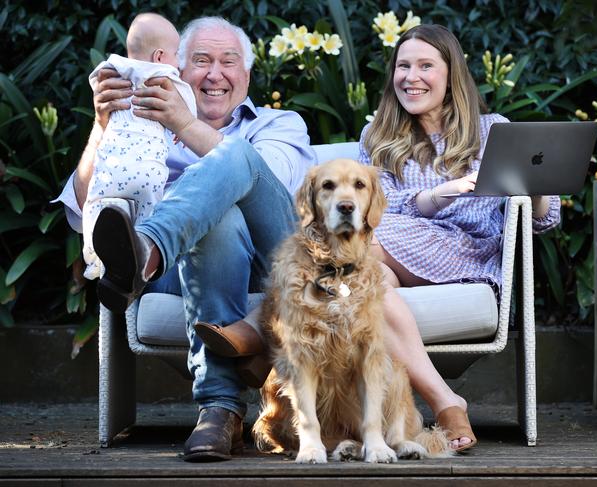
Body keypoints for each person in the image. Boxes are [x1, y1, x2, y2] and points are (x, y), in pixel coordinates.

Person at [55, 15, 316, 461]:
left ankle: (148, 250)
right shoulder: (138, 124)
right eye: (201, 60)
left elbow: (270, 183)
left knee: (241, 162)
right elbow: (83, 214)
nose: (215, 74)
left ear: (247, 76)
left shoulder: (280, 123)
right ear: (174, 66)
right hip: (181, 270)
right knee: (219, 223)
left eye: (228, 61)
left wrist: (184, 122)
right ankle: (219, 411)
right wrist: (102, 126)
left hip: (269, 264)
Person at [359, 24, 561, 452]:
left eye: (425, 66)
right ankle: (444, 400)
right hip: (394, 245)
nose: (410, 76)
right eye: (403, 66)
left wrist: (535, 184)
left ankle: (258, 332)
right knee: (365, 280)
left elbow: (543, 220)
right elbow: (376, 207)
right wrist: (436, 195)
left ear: (452, 75)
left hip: (466, 251)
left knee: (347, 245)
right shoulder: (377, 137)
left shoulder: (492, 130)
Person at [82, 13, 196, 280]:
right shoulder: (165, 76)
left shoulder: (112, 69)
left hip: (111, 170)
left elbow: (95, 78)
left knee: (94, 204)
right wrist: (185, 122)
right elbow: (185, 98)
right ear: (159, 56)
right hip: (148, 171)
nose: (180, 65)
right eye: (178, 55)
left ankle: (93, 257)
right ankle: (143, 256)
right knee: (150, 212)